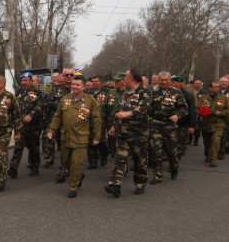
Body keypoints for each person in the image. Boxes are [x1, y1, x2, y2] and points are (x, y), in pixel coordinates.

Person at [46, 74, 100, 198]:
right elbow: (57, 116)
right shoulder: (65, 99)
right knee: (66, 162)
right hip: (66, 137)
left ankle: (73, 187)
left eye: (77, 85)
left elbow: (96, 120)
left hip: (81, 138)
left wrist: (97, 137)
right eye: (73, 84)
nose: (74, 87)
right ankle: (78, 176)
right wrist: (51, 130)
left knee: (76, 163)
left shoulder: (90, 101)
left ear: (84, 87)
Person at [105, 69, 151, 197]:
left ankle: (140, 183)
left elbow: (143, 108)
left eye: (125, 77)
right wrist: (115, 126)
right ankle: (115, 185)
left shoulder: (145, 91)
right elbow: (120, 109)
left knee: (140, 161)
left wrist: (127, 114)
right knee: (120, 159)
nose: (124, 79)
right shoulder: (125, 93)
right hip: (123, 133)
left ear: (130, 78)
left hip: (139, 133)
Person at [148, 72, 187, 184]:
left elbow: (184, 108)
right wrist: (150, 121)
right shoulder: (153, 92)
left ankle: (174, 167)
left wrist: (177, 115)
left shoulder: (177, 92)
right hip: (156, 125)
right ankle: (157, 176)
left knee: (171, 152)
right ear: (159, 81)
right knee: (156, 151)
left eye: (166, 80)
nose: (164, 82)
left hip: (170, 126)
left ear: (170, 81)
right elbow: (148, 108)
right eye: (162, 80)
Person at [8, 71, 44, 178]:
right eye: (22, 81)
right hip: (21, 126)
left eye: (25, 80)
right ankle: (13, 169)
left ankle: (34, 166)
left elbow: (41, 106)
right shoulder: (18, 93)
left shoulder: (39, 94)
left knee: (33, 147)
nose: (23, 82)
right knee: (18, 147)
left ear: (31, 81)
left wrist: (31, 115)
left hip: (34, 126)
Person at [198, 80, 229, 167]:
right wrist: (201, 114)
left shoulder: (224, 98)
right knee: (207, 142)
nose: (217, 89)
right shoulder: (203, 98)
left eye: (218, 87)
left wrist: (221, 113)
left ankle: (213, 159)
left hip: (218, 123)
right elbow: (198, 109)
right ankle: (207, 155)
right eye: (215, 87)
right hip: (206, 123)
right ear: (210, 88)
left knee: (216, 141)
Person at [41, 72, 66, 168]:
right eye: (55, 78)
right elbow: (46, 102)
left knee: (64, 141)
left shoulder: (67, 90)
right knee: (50, 138)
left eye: (58, 79)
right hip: (52, 119)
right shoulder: (49, 89)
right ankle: (50, 158)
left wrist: (54, 104)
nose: (56, 80)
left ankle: (65, 163)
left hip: (64, 119)